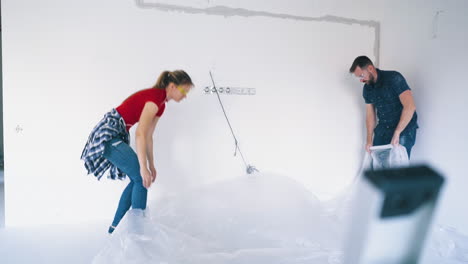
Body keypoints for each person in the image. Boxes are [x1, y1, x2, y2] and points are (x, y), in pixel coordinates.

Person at [81, 70, 193, 233]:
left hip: (117, 134)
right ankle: (138, 231)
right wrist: (143, 167)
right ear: (172, 86)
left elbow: (148, 136)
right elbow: (140, 133)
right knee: (140, 177)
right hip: (108, 133)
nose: (185, 96)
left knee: (138, 179)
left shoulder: (161, 105)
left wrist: (151, 165)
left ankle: (116, 230)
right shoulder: (155, 98)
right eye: (184, 91)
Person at [349, 56, 418, 158]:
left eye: (362, 75)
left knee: (398, 169)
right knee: (379, 166)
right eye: (359, 77)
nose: (361, 80)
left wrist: (397, 132)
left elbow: (410, 107)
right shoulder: (367, 89)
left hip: (404, 129)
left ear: (370, 69)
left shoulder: (394, 78)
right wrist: (369, 140)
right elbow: (370, 116)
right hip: (383, 129)